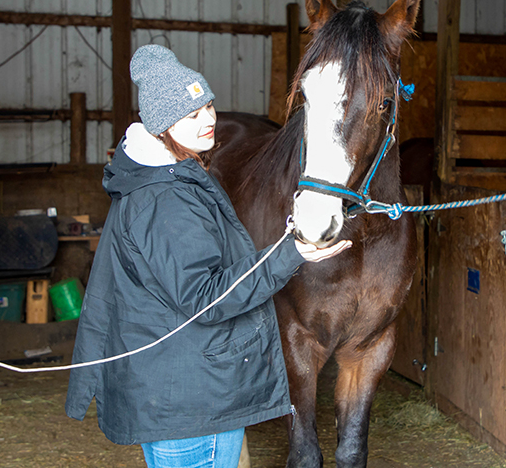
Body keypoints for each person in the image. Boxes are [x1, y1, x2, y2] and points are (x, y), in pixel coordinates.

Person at [65, 44, 351, 468]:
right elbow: (208, 297)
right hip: (191, 403)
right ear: (163, 126)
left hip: (180, 389)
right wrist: (291, 253)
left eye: (208, 106)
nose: (209, 119)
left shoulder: (173, 177)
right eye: (191, 114)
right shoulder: (166, 199)